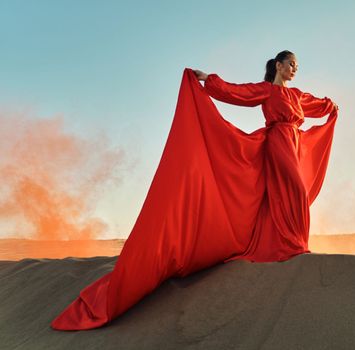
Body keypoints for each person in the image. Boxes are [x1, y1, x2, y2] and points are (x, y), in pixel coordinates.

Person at [51, 50, 339, 331]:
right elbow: (236, 92)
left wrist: (331, 107)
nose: (294, 69)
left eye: (296, 66)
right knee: (296, 191)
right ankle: (295, 247)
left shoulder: (297, 94)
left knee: (290, 194)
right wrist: (208, 80)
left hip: (296, 143)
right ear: (278, 65)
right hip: (277, 143)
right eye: (291, 64)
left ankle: (291, 245)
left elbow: (317, 104)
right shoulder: (265, 91)